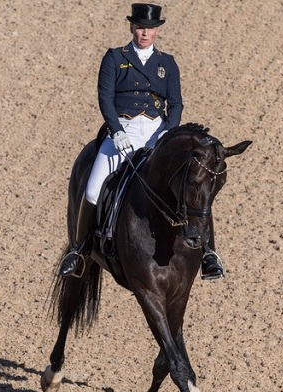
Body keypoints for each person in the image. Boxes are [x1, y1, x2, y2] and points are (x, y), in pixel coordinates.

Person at [59, 3, 225, 280]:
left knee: (192, 186)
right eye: (139, 28)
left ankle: (209, 254)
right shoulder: (115, 58)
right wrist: (116, 131)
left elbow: (176, 103)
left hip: (156, 132)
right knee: (91, 190)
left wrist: (167, 133)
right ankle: (79, 250)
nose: (144, 33)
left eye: (149, 29)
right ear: (132, 27)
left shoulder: (167, 63)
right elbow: (105, 98)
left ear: (156, 30)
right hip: (122, 130)